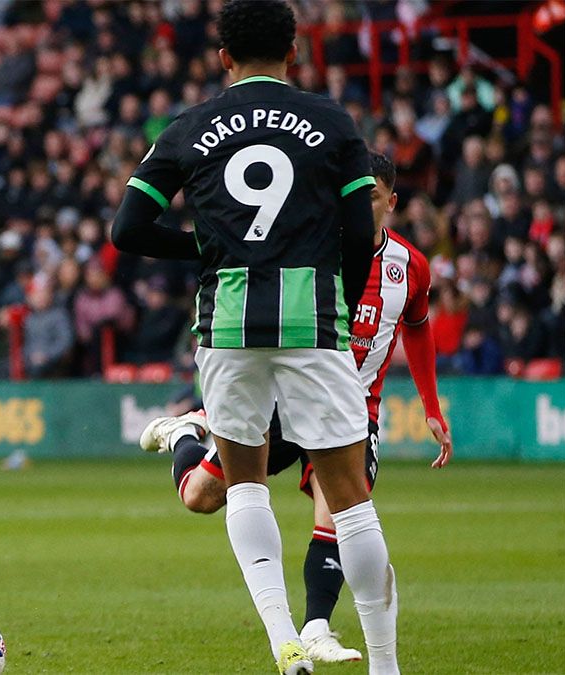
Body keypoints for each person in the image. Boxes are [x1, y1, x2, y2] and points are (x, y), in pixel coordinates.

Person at [109, 2, 394, 673]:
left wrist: (206, 249)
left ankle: (281, 637)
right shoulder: (331, 122)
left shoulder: (190, 126)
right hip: (312, 322)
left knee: (243, 488)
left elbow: (127, 229)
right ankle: (385, 667)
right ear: (295, 50)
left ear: (221, 58)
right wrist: (340, 295)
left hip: (229, 327)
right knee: (350, 497)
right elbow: (360, 233)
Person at [141, 153, 452, 663]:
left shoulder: (410, 266)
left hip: (354, 410)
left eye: (370, 196)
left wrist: (431, 406)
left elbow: (417, 327)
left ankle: (316, 628)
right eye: (351, 195)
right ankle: (184, 435)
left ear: (391, 203)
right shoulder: (315, 251)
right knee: (200, 496)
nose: (358, 205)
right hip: (285, 401)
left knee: (340, 506)